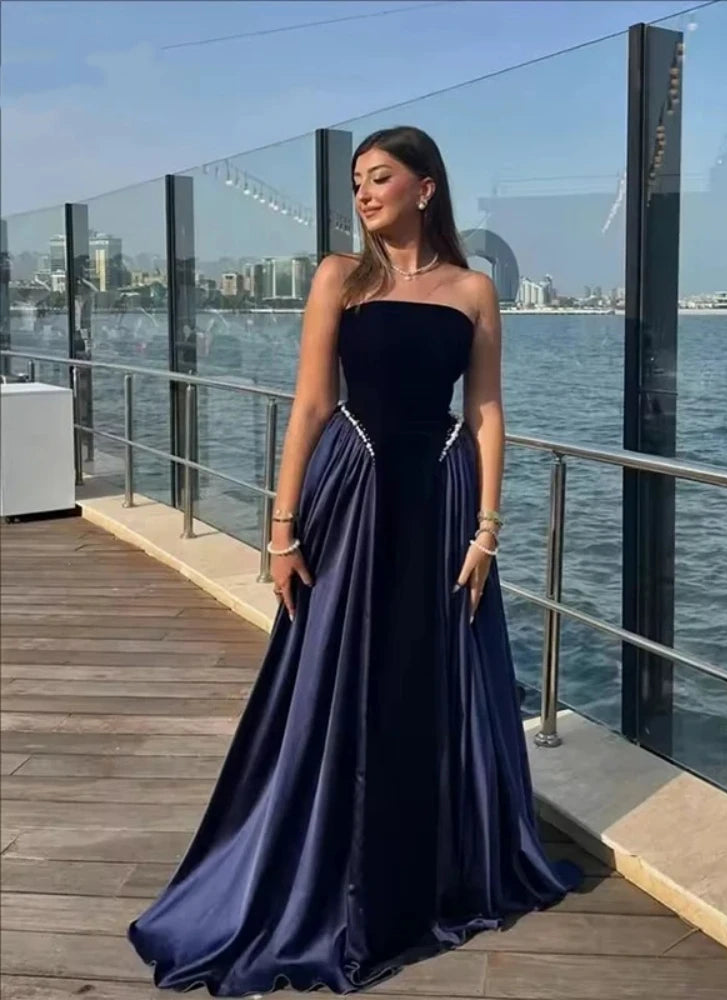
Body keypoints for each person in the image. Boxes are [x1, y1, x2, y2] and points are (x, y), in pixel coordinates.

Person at [128, 124, 581, 997]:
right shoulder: (340, 277)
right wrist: (283, 527)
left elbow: (487, 413)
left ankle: (437, 867)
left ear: (426, 187)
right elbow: (309, 406)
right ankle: (326, 871)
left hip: (442, 501)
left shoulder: (475, 290)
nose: (365, 194)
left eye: (381, 178)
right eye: (357, 182)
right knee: (342, 673)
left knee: (432, 678)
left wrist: (488, 528)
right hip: (357, 491)